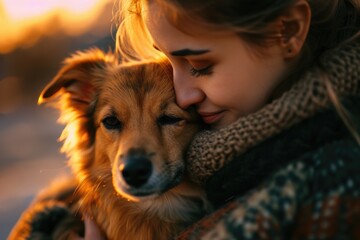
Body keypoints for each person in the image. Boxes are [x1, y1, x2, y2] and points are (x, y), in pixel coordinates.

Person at [78, 0, 360, 238]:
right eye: (167, 60)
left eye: (201, 65)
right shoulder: (226, 158)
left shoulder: (334, 181)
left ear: (287, 32)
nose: (183, 96)